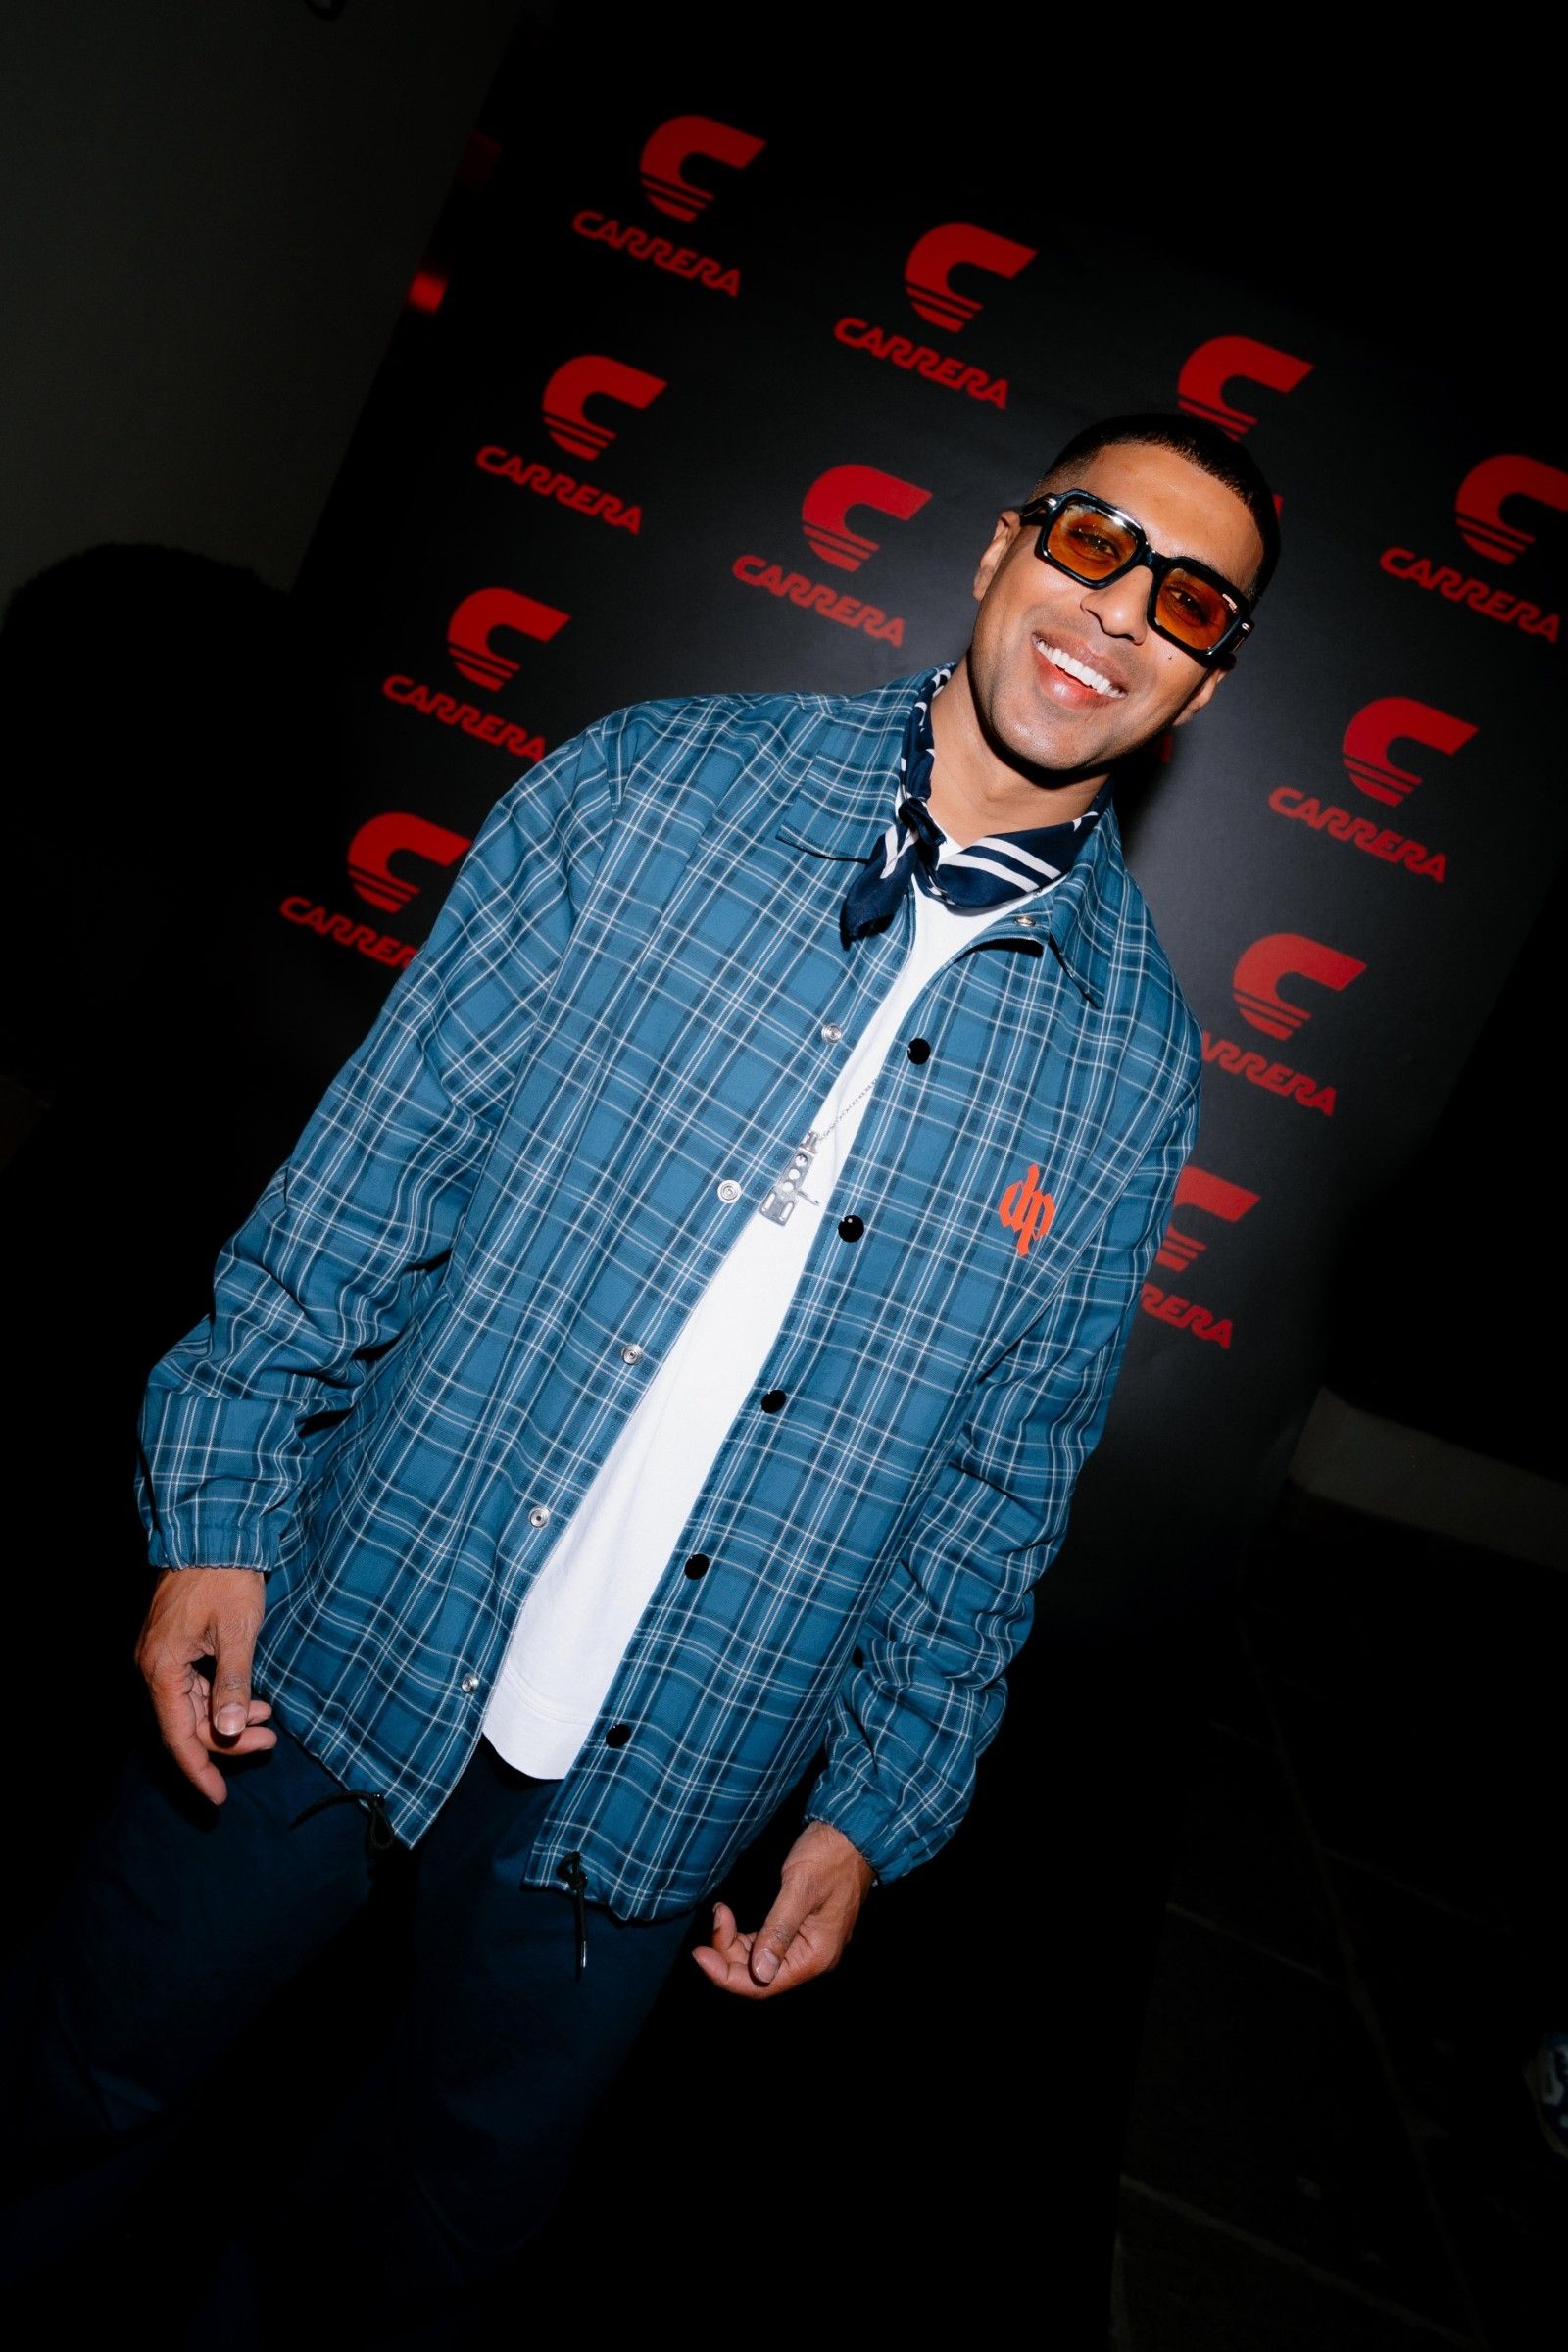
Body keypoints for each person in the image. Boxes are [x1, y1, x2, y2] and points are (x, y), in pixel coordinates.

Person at [1, 412, 1278, 2342]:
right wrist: (219, 1505)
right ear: (1002, 549)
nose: (1119, 612)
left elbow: (1001, 1479)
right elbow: (370, 1177)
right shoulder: (653, 792)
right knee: (84, 2076)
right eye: (1094, 542)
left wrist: (877, 1801)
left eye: (1187, 604)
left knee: (426, 2242)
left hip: (672, 1774)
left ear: (1201, 685)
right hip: (348, 1622)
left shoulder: (1130, 1064)